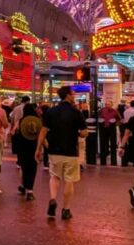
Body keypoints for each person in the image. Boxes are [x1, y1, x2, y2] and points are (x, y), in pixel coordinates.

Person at [34, 86, 88, 221]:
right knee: (69, 180)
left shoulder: (51, 111)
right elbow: (84, 132)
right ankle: (66, 209)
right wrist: (79, 133)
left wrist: (38, 148)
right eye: (73, 93)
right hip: (71, 151)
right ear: (68, 96)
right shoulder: (76, 113)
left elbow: (43, 131)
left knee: (54, 177)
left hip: (54, 151)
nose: (74, 95)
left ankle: (52, 199)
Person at [15, 102, 41, 200]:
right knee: (32, 168)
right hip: (34, 147)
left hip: (22, 147)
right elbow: (40, 135)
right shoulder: (38, 120)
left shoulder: (21, 120)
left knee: (23, 167)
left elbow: (15, 131)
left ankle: (23, 185)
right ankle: (30, 190)